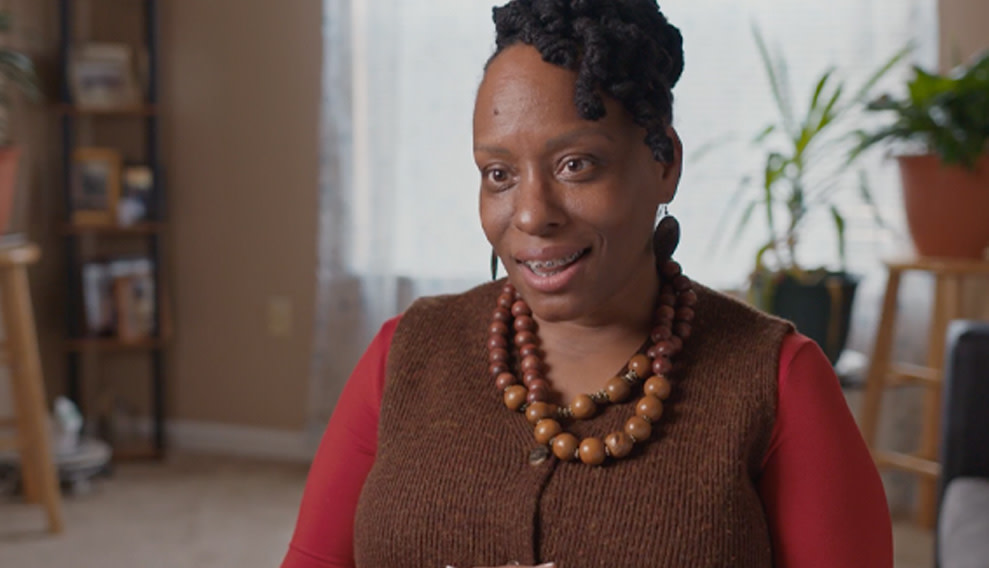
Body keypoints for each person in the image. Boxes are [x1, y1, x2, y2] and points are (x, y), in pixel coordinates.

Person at [282, 1, 892, 567]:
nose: (530, 213)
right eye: (499, 174)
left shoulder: (778, 380)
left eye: (576, 164)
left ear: (664, 162)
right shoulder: (406, 352)